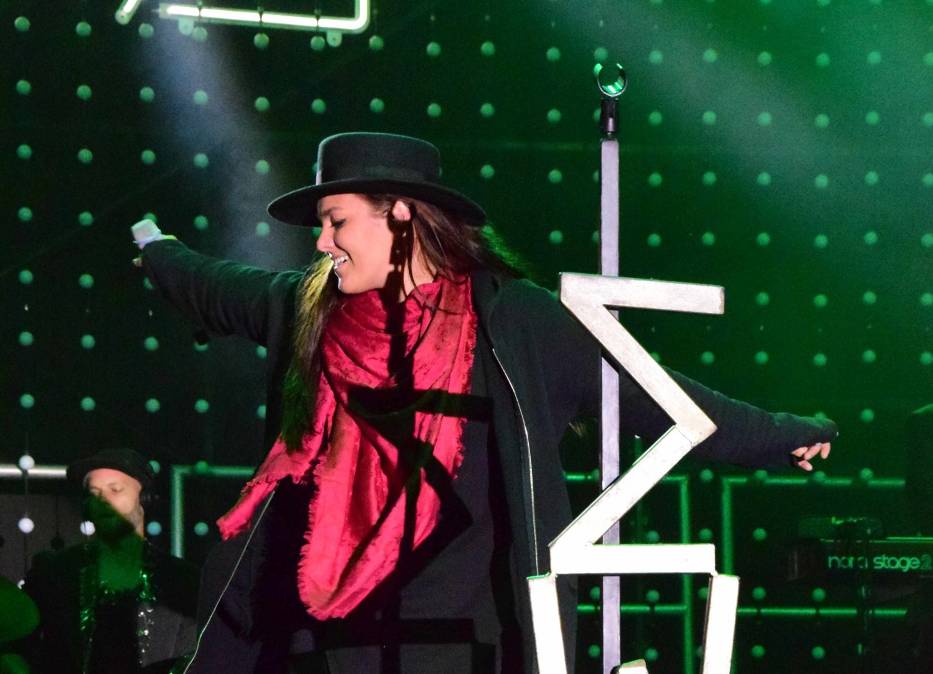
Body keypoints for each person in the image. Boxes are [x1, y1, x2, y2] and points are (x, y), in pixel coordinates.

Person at [135, 132, 836, 674]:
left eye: (335, 221)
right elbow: (211, 286)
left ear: (400, 215)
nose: (321, 243)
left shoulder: (516, 322)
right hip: (322, 645)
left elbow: (658, 395)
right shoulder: (309, 313)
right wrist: (157, 249)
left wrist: (782, 434)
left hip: (467, 643)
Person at [19, 449, 199, 674]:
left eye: (115, 489)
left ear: (145, 499)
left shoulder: (184, 580)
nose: (103, 500)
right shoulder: (54, 574)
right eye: (94, 493)